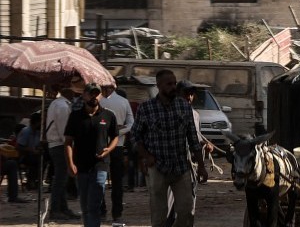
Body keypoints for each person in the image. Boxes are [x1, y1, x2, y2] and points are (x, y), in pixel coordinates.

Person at [132, 70, 206, 227]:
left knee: (186, 212)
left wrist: (201, 166)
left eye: (174, 83)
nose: (173, 87)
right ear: (159, 86)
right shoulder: (146, 109)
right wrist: (146, 156)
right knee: (159, 216)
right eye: (169, 84)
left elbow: (193, 139)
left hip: (181, 168)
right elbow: (135, 137)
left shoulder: (184, 108)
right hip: (157, 168)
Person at [64, 84, 119, 227]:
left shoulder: (108, 115)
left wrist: (109, 149)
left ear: (100, 96)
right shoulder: (75, 116)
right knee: (85, 205)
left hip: (100, 165)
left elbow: (115, 137)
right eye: (91, 93)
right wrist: (70, 163)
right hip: (81, 166)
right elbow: (68, 142)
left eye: (97, 94)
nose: (94, 97)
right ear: (84, 95)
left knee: (94, 204)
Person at [98, 82, 133, 225]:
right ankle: (117, 213)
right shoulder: (124, 102)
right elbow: (131, 123)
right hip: (118, 145)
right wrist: (118, 132)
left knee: (100, 180)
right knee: (117, 182)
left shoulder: (98, 101)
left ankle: (101, 211)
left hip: (101, 146)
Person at [46, 87, 78, 220]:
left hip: (56, 145)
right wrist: (70, 147)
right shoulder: (63, 106)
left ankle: (63, 208)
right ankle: (55, 210)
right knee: (60, 179)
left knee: (62, 178)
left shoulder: (58, 103)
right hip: (60, 145)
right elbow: (65, 132)